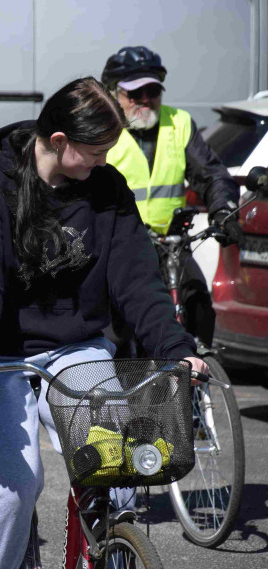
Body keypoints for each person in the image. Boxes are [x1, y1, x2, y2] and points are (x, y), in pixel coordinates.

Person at [0, 77, 208, 569]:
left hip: (74, 349)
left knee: (125, 461)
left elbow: (136, 280)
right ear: (58, 141)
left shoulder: (106, 191)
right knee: (13, 487)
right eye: (98, 149)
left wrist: (175, 348)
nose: (106, 161)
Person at [102, 46, 240, 352]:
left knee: (197, 301)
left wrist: (224, 209)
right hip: (119, 247)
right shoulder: (103, 130)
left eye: (152, 91)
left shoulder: (179, 123)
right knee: (116, 328)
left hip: (170, 244)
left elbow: (211, 174)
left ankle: (191, 380)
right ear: (114, 93)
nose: (145, 100)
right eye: (135, 94)